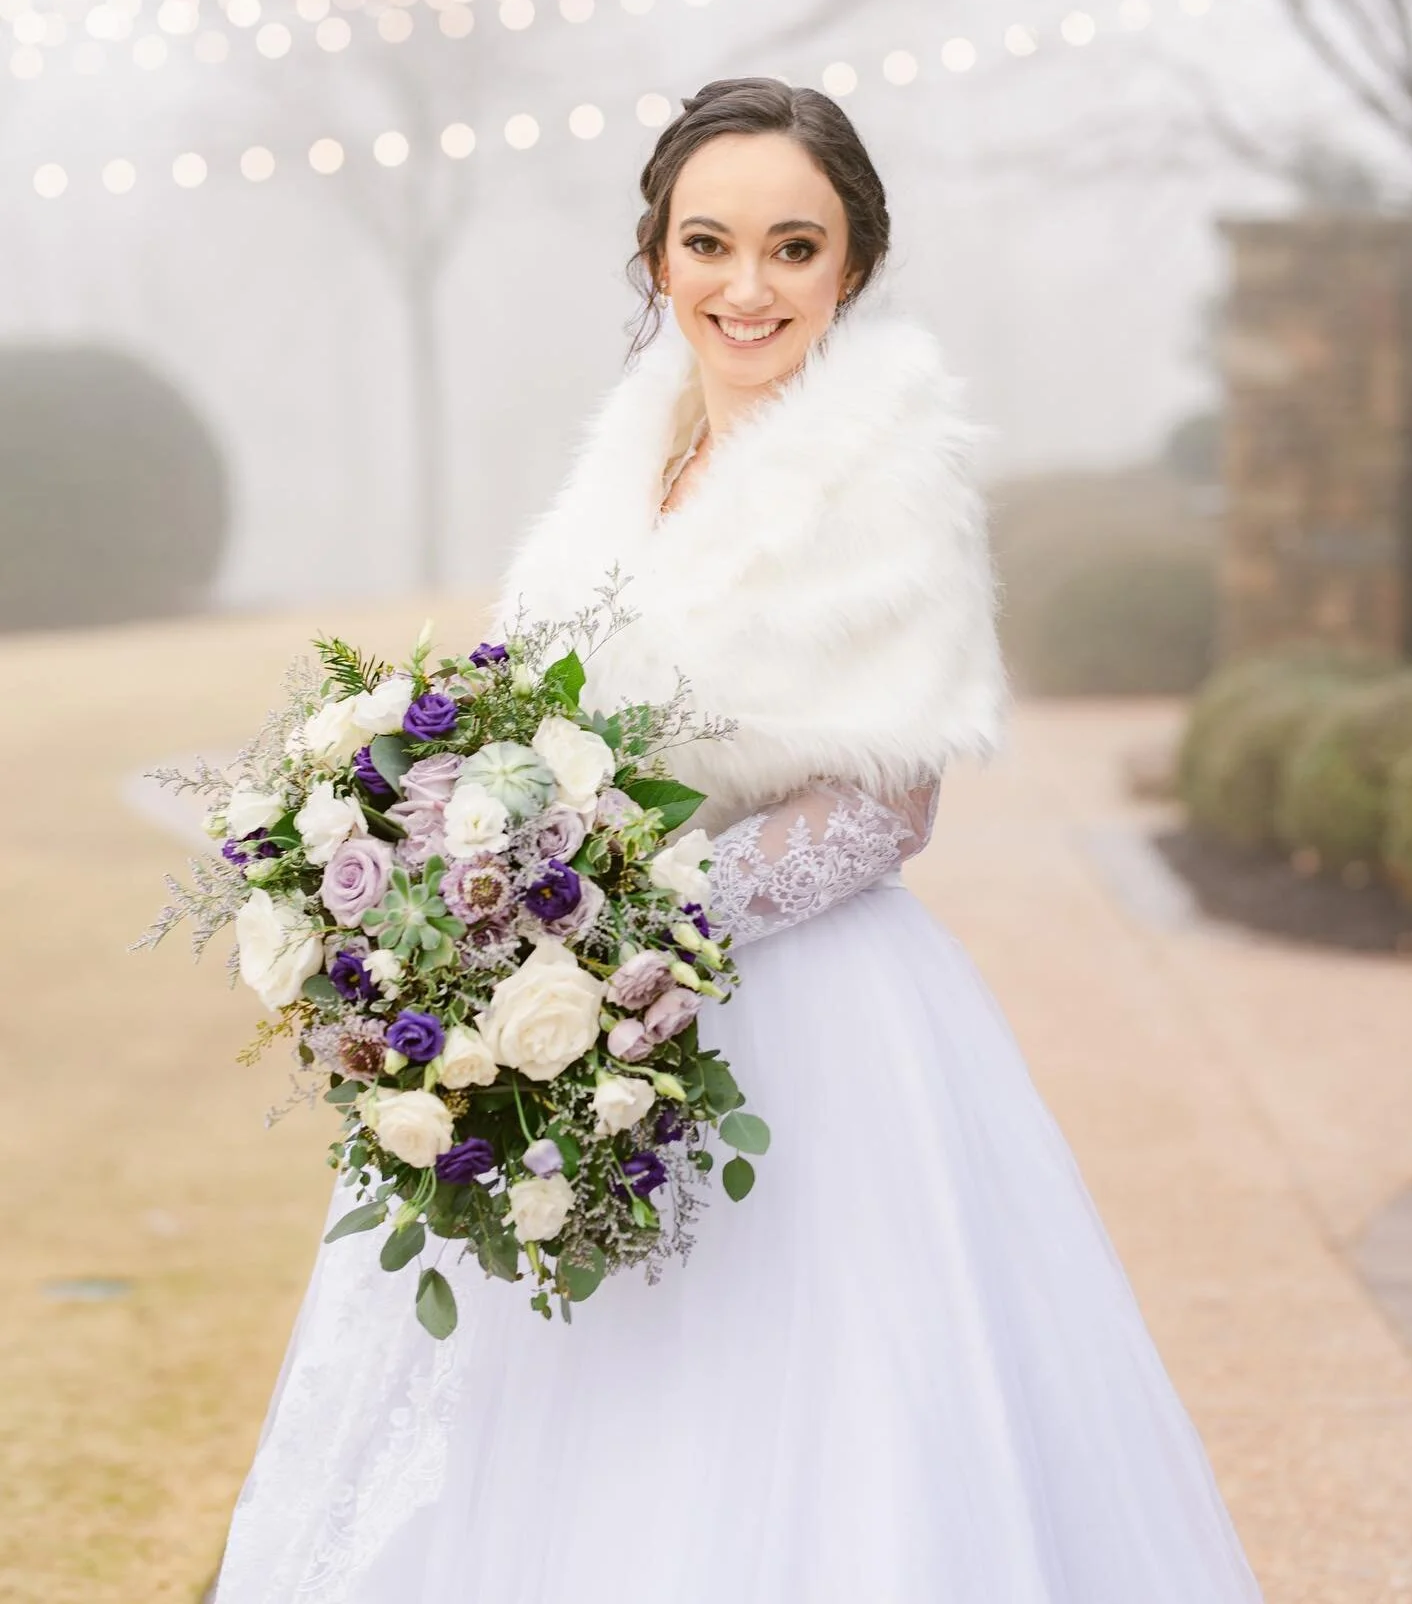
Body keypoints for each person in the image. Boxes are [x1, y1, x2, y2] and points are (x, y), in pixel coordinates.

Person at [212, 77, 1264, 1602]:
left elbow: (894, 803)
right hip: (563, 1021)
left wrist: (629, 921)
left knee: (797, 1433)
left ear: (854, 265)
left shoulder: (893, 472)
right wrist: (459, 870)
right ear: (656, 257)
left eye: (794, 247)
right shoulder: (622, 460)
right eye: (708, 243)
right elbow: (524, 714)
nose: (746, 286)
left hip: (802, 1027)